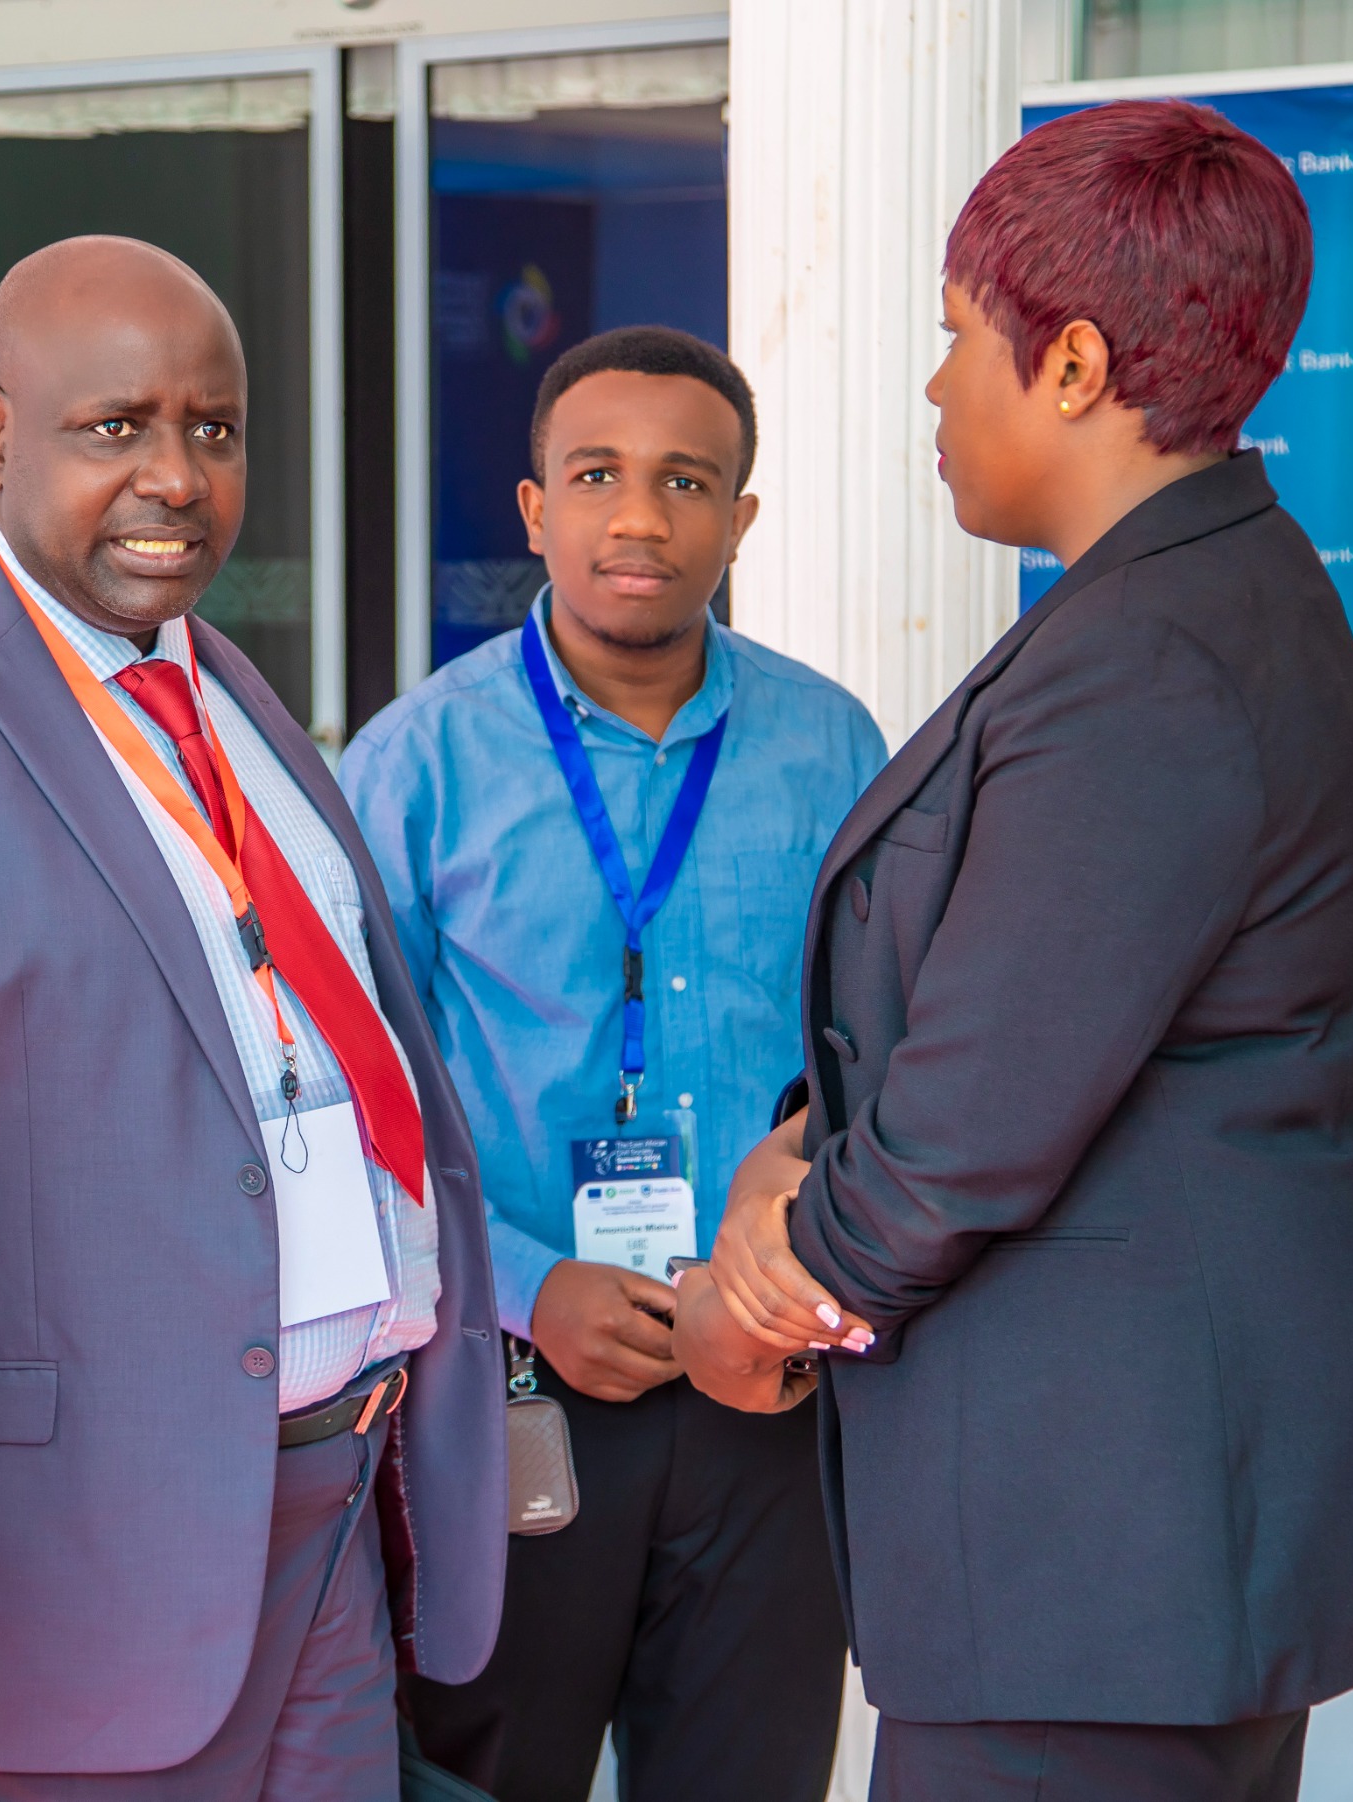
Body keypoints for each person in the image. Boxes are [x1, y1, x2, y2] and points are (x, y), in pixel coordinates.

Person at [673, 99, 1353, 1802]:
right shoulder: (1196, 598)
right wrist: (797, 1147)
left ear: (1070, 366)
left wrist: (760, 1292)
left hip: (1104, 1527)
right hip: (1135, 1517)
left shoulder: (1149, 662)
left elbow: (973, 1124)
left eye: (951, 338)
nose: (934, 390)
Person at [0, 235, 504, 1800]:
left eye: (214, 429)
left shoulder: (224, 688)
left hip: (333, 1519)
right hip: (64, 1591)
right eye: (116, 426)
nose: (178, 478)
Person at [342, 326, 884, 1802]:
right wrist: (529, 1290)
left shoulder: (835, 748)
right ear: (535, 510)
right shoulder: (414, 766)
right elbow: (353, 1106)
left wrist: (797, 1279)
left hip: (768, 1391)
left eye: (684, 481)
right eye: (596, 476)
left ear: (740, 519)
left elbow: (881, 1062)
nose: (638, 517)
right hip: (515, 1387)